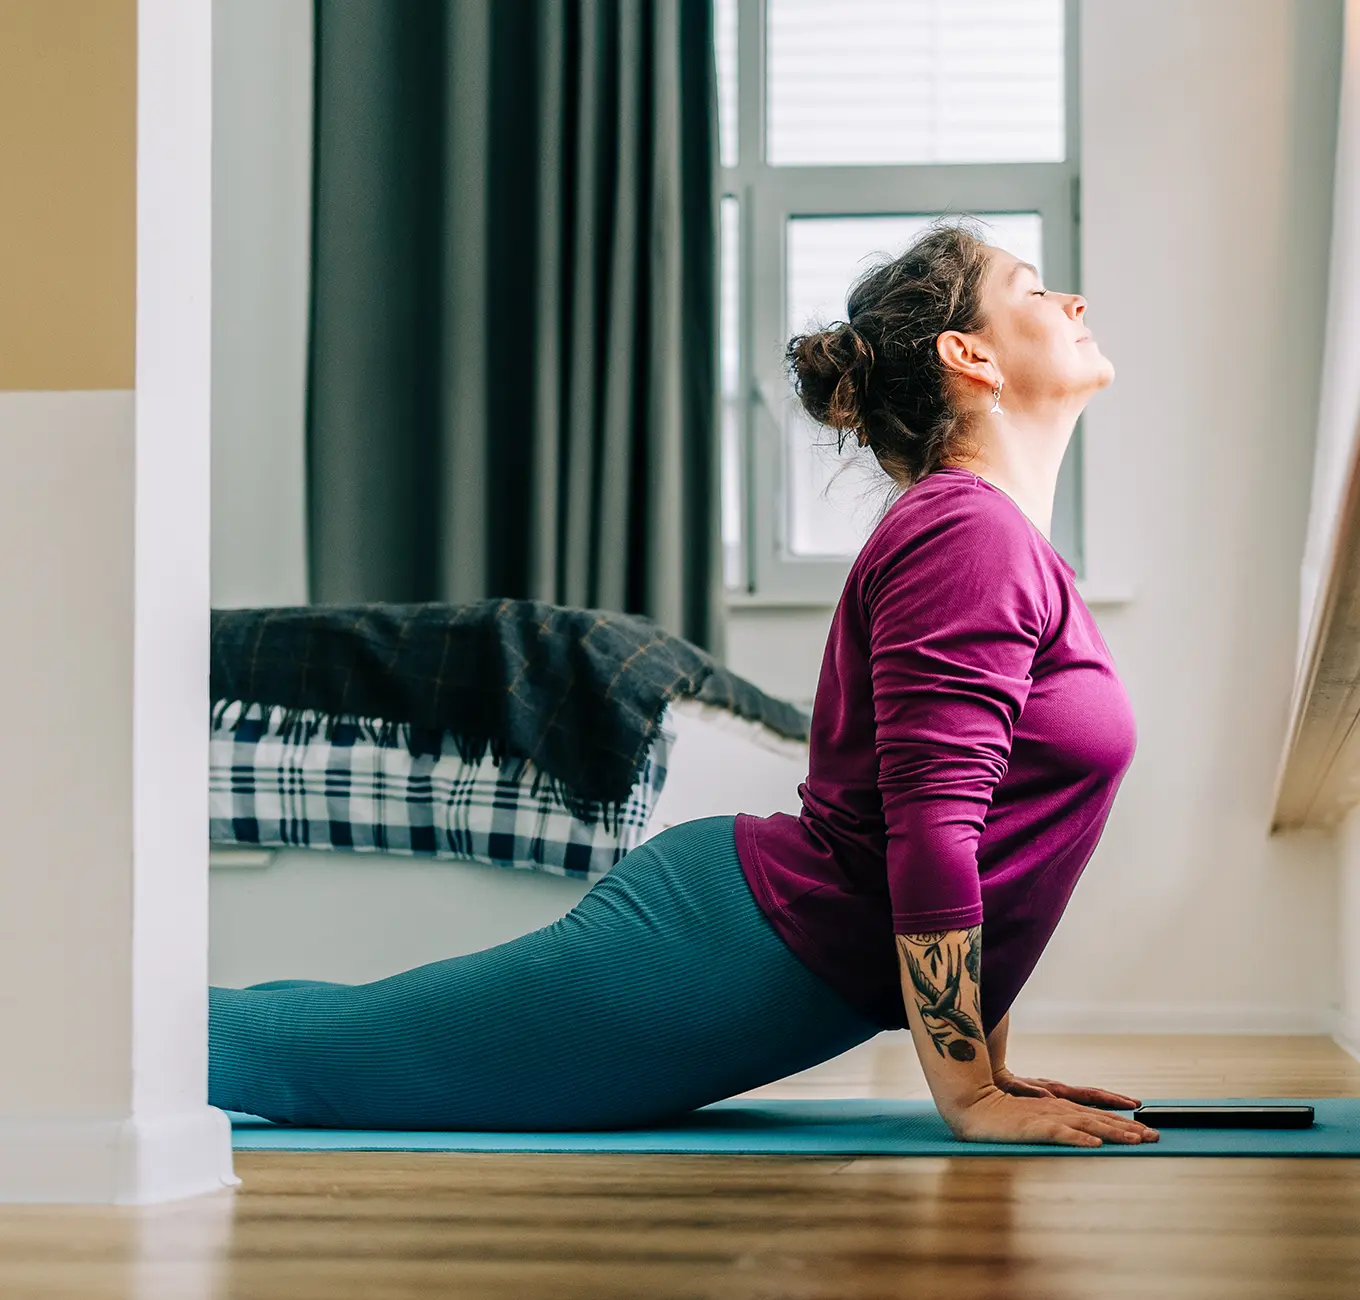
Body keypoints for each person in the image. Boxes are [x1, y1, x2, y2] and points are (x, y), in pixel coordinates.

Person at [209, 217, 1158, 1148]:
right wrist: (969, 1098)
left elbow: (989, 839)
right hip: (721, 945)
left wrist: (985, 1070)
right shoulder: (969, 536)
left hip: (760, 941)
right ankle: (80, 1030)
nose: (1070, 300)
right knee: (316, 1058)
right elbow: (935, 829)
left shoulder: (1004, 544)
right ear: (971, 355)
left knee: (333, 1046)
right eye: (1031, 289)